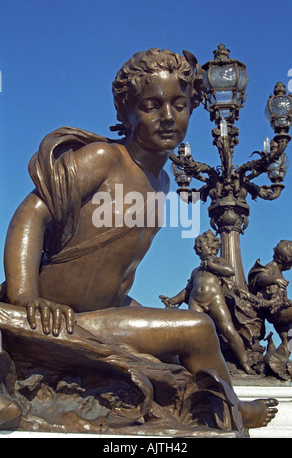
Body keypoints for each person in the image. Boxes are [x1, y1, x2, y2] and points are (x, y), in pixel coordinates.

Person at [2, 48, 277, 429]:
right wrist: (25, 295)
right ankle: (230, 408)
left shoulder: (163, 182)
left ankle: (211, 400)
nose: (168, 117)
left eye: (179, 105)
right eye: (152, 105)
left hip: (103, 312)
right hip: (55, 315)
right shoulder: (104, 159)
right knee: (197, 330)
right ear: (126, 112)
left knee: (176, 356)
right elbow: (30, 213)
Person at [160, 230, 253, 374]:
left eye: (200, 245)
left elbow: (230, 270)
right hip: (195, 302)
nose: (197, 248)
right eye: (197, 246)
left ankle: (244, 362)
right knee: (193, 333)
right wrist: (172, 300)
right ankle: (192, 365)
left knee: (228, 330)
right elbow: (187, 290)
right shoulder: (196, 271)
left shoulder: (218, 262)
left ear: (211, 247)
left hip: (215, 300)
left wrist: (212, 266)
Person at [248, 239, 292, 356]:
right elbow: (261, 278)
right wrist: (275, 280)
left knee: (289, 341)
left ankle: (275, 363)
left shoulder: (278, 270)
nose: (291, 267)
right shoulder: (271, 267)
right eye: (290, 264)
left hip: (280, 311)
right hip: (276, 311)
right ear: (285, 259)